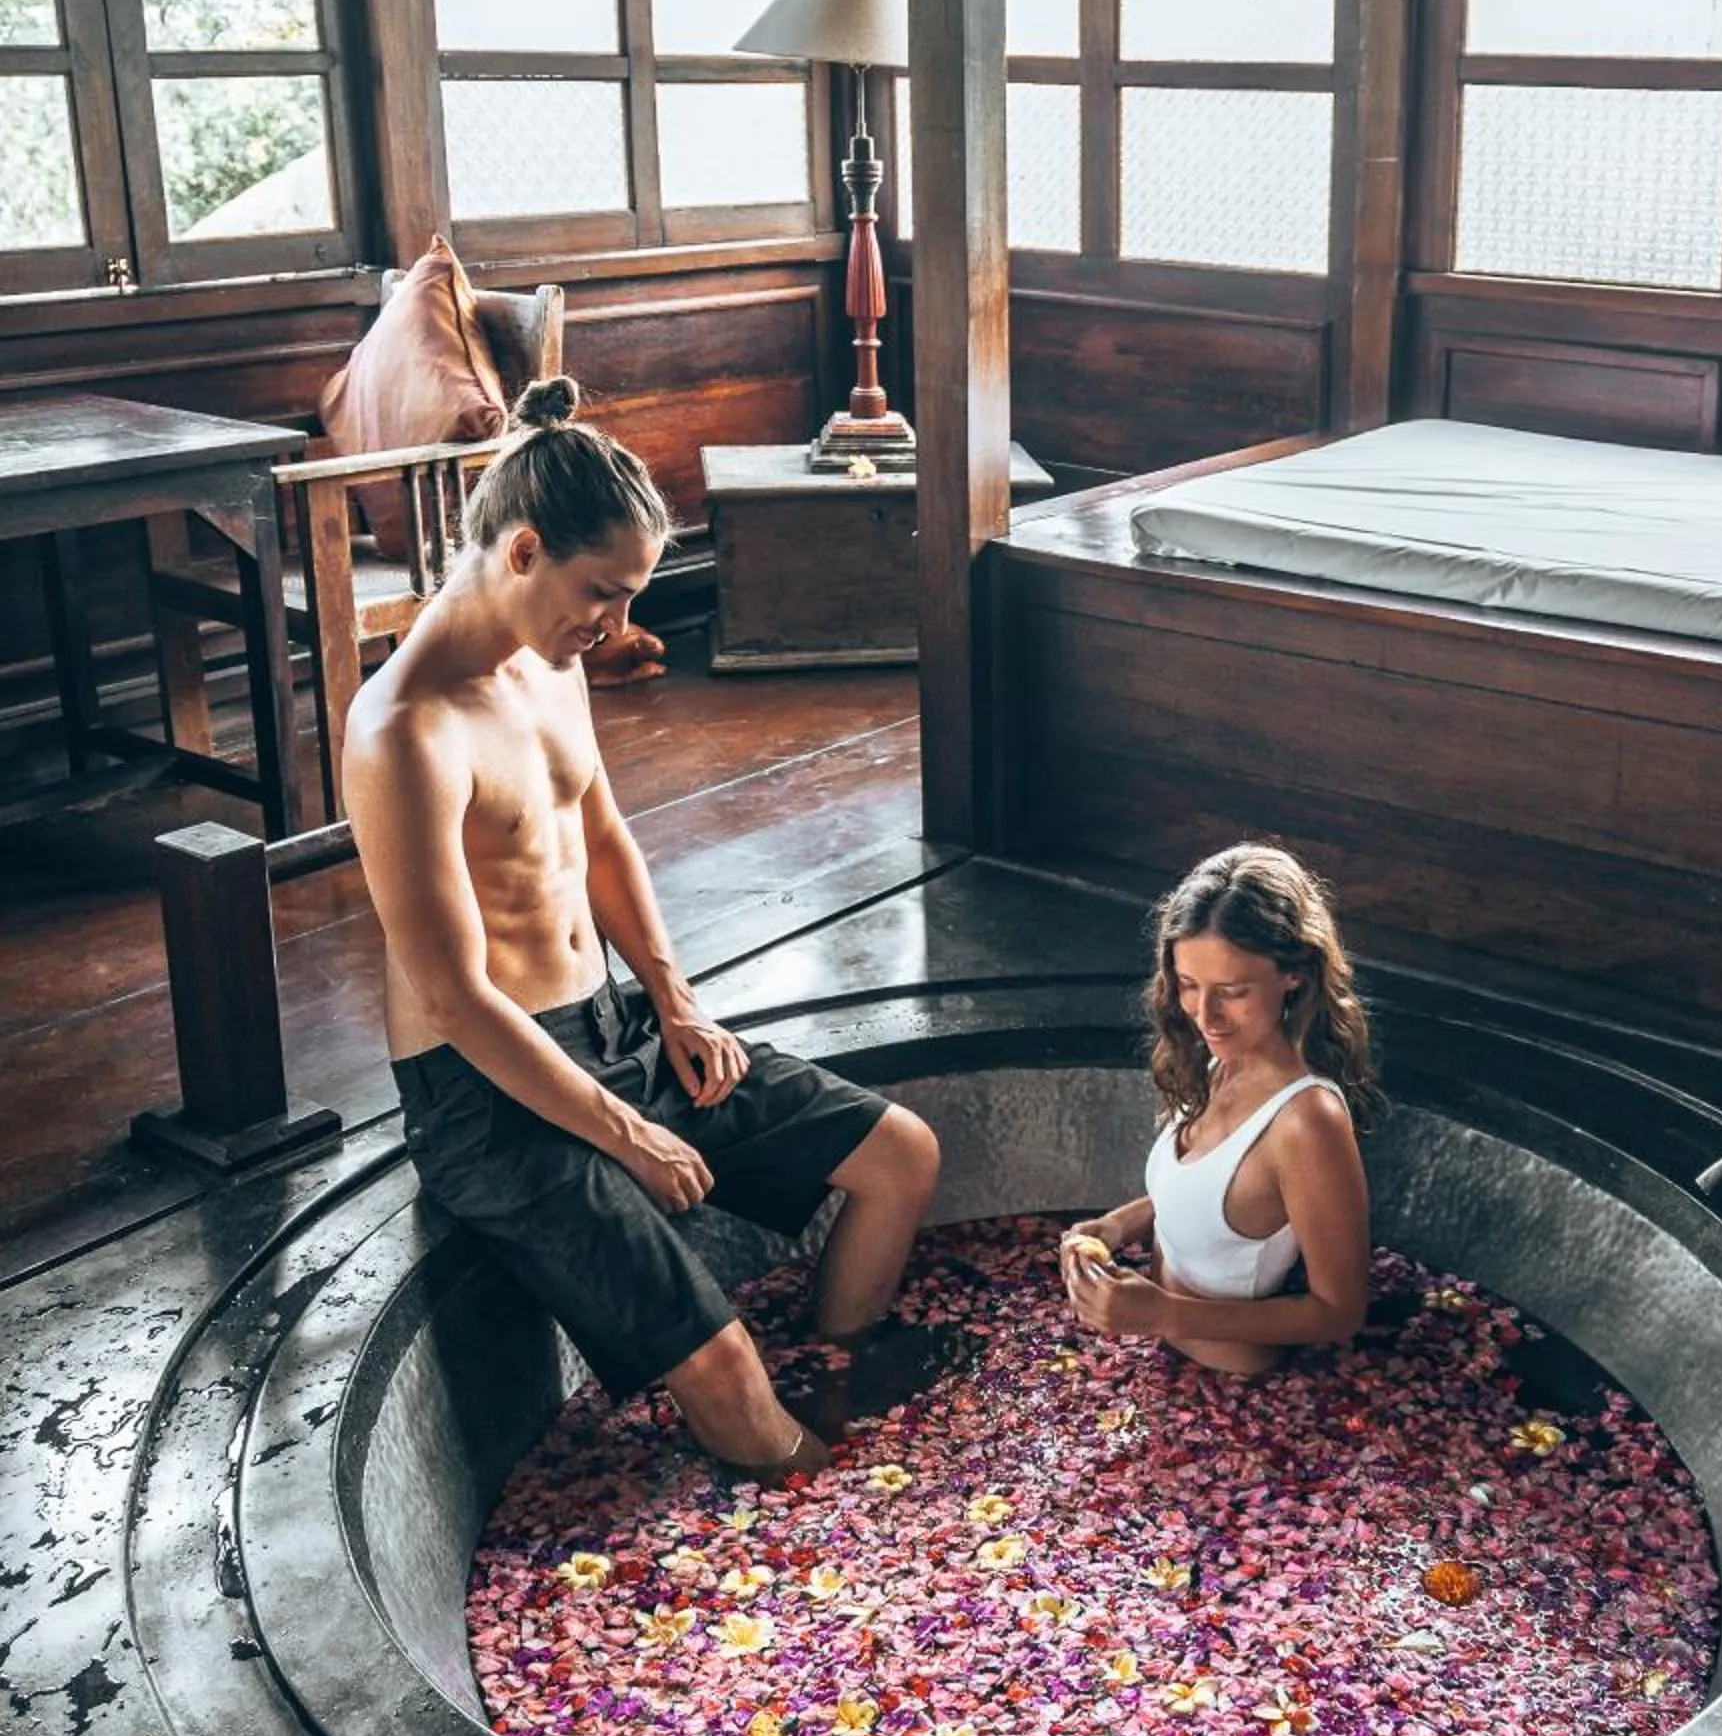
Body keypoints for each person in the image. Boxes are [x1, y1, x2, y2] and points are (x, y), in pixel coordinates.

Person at [345, 377, 942, 1480]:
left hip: (617, 1029)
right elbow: (455, 1000)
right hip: (494, 1100)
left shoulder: (548, 663)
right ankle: (807, 1472)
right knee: (724, 1376)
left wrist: (675, 1001)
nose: (616, 626)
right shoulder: (404, 729)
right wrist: (626, 1135)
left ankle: (836, 1370)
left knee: (900, 1154)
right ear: (524, 551)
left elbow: (602, 835)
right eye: (602, 595)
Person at [1059, 843, 1376, 1376]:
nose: (1205, 1016)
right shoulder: (1218, 1060)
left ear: (1294, 973)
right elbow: (1216, 1202)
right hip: (1157, 1338)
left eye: (1232, 991)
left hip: (1233, 1378)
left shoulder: (1307, 1121)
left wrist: (1161, 1313)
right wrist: (1117, 1226)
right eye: (1188, 985)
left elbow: (1340, 1312)